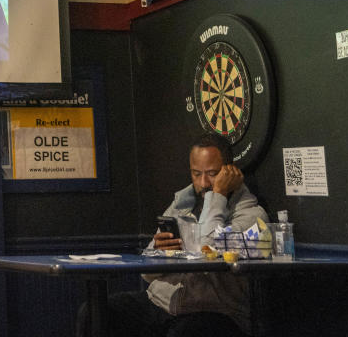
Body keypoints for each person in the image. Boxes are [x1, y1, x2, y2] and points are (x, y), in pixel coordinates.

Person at [78, 134, 269, 337]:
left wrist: (218, 194)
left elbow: (208, 249)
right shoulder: (181, 207)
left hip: (214, 311)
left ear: (230, 171)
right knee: (94, 313)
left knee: (185, 332)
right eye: (196, 174)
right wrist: (157, 252)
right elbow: (147, 274)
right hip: (162, 303)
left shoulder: (252, 216)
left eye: (212, 174)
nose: (203, 182)